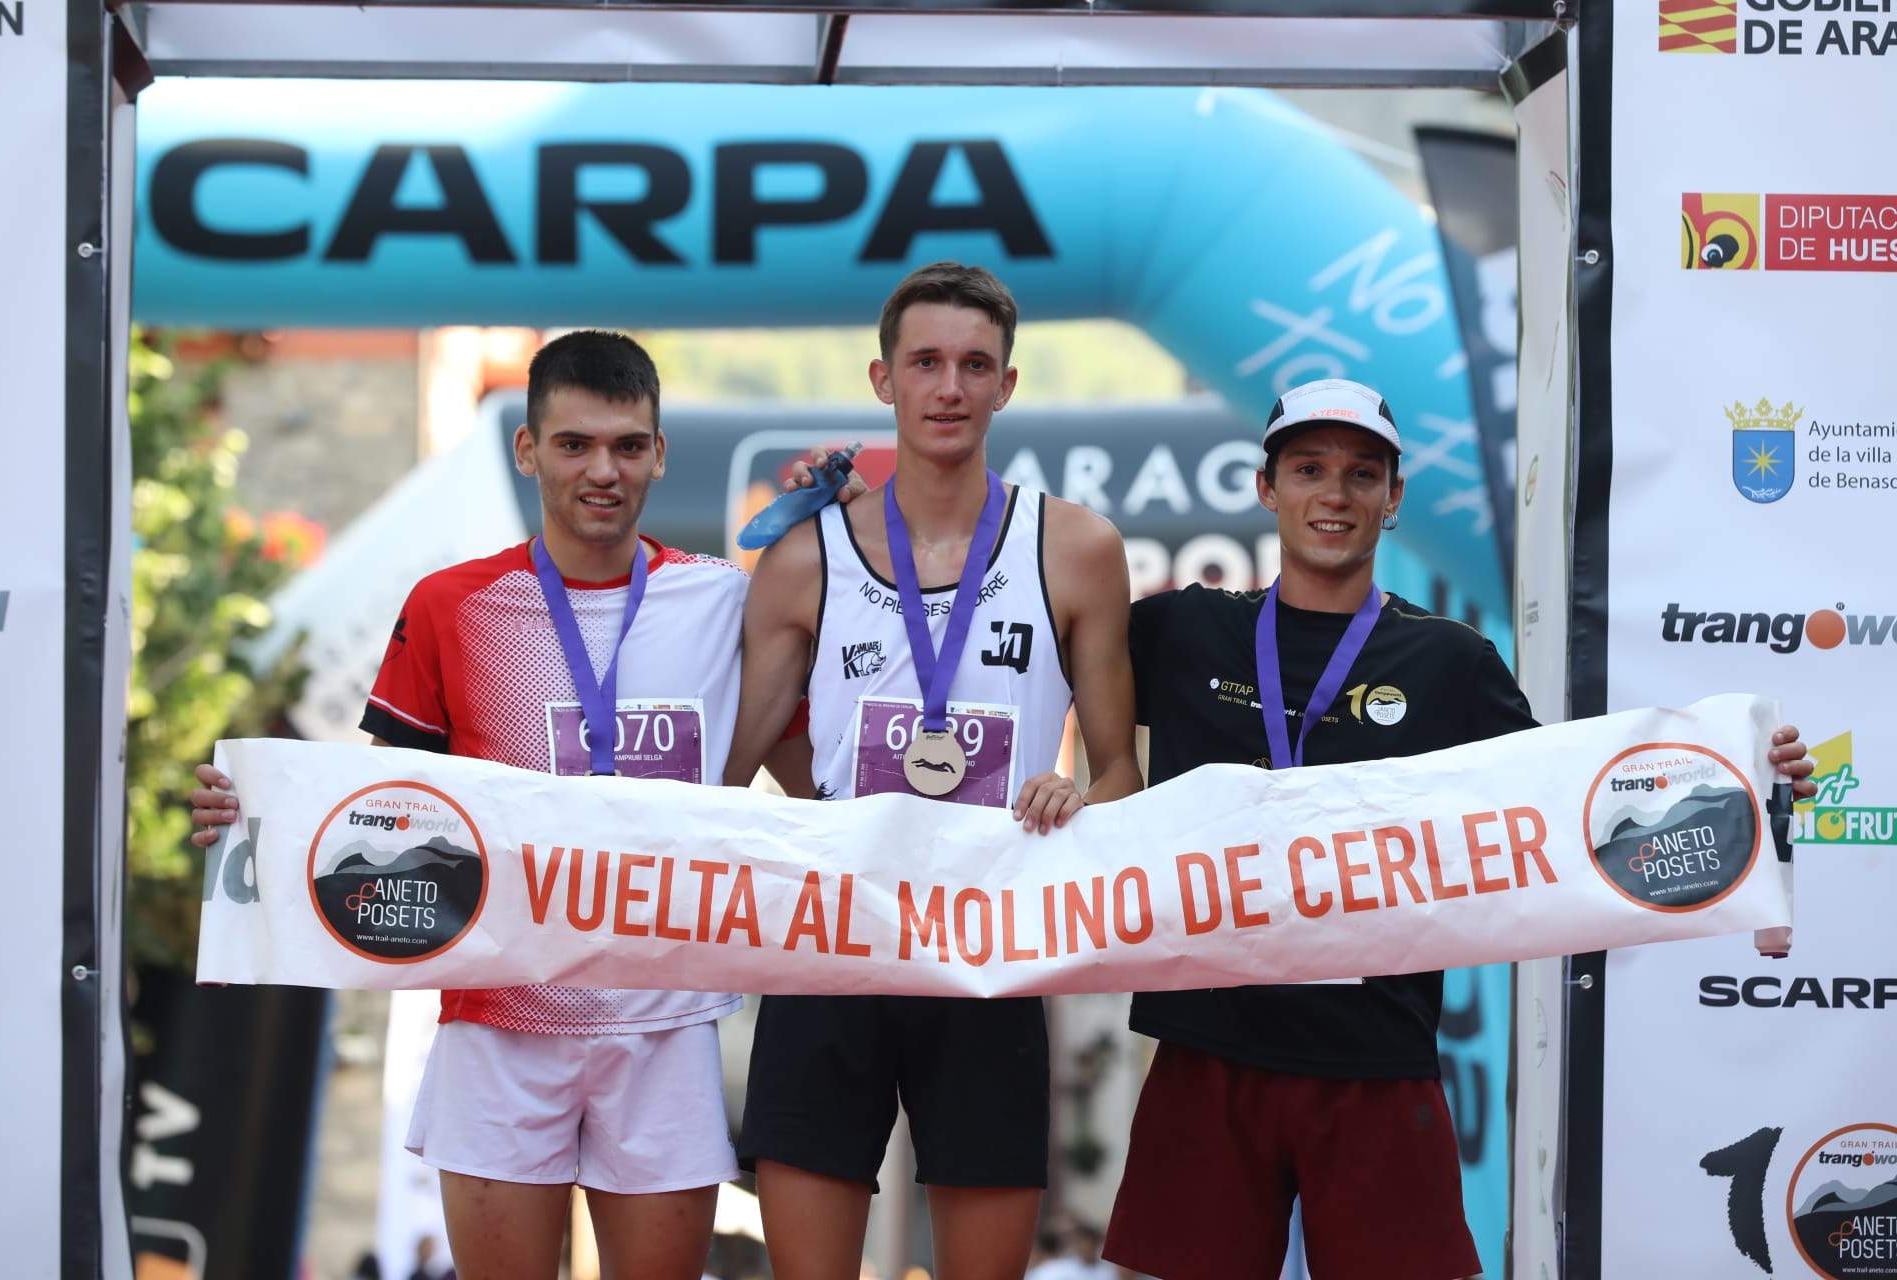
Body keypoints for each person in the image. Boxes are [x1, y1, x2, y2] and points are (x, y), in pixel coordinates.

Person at [1100, 377, 1818, 1280]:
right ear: (1266, 486)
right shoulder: (1184, 629)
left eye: (1363, 475)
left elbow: (1577, 805)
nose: (1335, 494)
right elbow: (1030, 655)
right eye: (1310, 469)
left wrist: (1742, 778)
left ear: (1394, 499)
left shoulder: (1448, 661)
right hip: (1208, 1050)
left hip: (1374, 1055)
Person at [189, 331, 848, 1280]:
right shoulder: (455, 605)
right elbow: (385, 811)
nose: (603, 471)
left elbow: (817, 781)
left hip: (661, 1026)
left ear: (660, 453)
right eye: (575, 444)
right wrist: (248, 817)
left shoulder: (719, 604)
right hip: (500, 1024)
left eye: (627, 445)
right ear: (528, 450)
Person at [720, 261, 1142, 1280]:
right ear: (883, 379)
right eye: (926, 363)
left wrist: (1076, 797)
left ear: (1006, 384)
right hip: (833, 947)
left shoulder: (1077, 548)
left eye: (973, 364)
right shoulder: (805, 559)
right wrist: (829, 801)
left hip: (987, 957)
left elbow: (1123, 770)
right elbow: (723, 768)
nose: (948, 387)